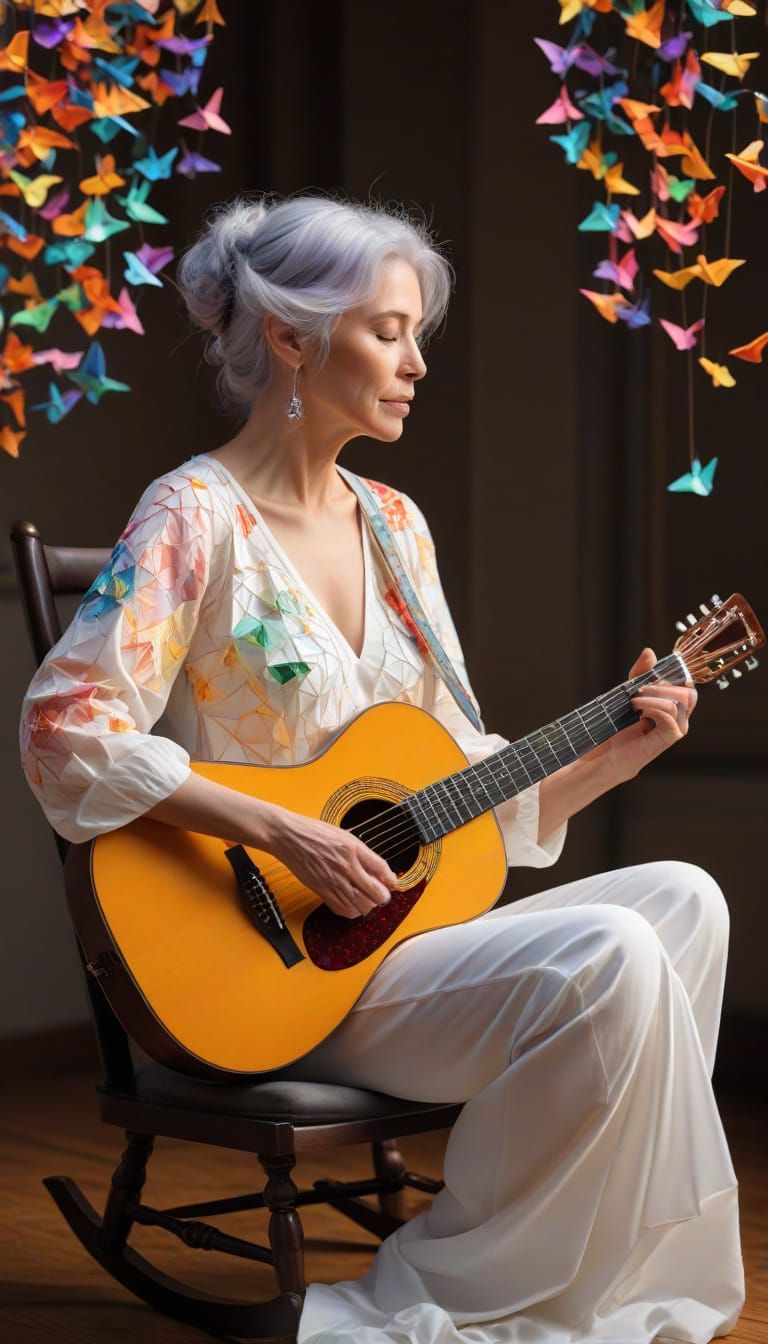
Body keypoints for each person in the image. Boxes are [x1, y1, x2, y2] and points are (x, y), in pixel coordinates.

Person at [19, 192, 743, 1344]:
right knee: (612, 948)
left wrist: (616, 753)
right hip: (280, 968)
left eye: (417, 336)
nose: (414, 365)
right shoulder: (191, 517)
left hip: (405, 945)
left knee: (686, 903)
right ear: (294, 339)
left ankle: (583, 1272)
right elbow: (65, 730)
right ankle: (482, 1281)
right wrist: (280, 830)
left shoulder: (397, 528)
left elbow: (456, 790)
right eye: (389, 332)